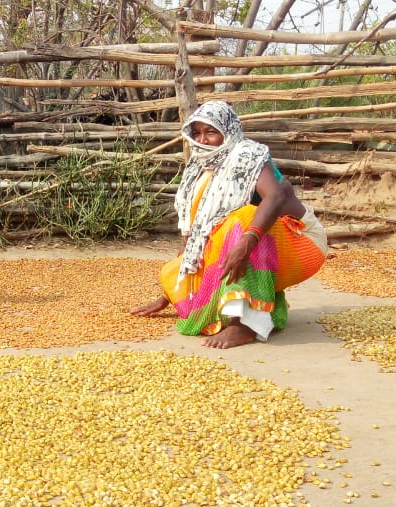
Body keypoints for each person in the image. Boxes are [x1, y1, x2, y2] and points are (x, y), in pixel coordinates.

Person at [131, 101, 328, 349]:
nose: (203, 139)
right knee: (182, 287)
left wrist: (247, 242)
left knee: (244, 218)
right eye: (197, 132)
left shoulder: (247, 155)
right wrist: (171, 291)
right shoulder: (200, 168)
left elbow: (275, 197)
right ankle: (262, 304)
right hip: (263, 245)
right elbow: (196, 233)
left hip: (301, 242)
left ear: (228, 131)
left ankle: (242, 326)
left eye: (211, 132)